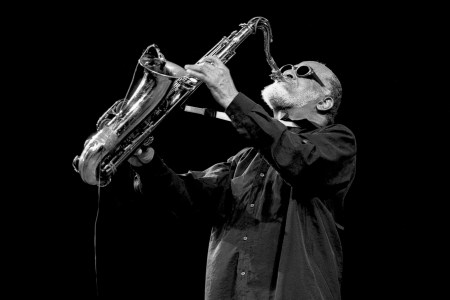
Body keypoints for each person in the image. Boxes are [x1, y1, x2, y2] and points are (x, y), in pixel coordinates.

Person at [126, 56, 357, 299]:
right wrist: (148, 164)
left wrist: (230, 97)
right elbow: (190, 198)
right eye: (287, 67)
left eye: (303, 71)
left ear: (325, 102)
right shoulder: (244, 159)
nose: (286, 71)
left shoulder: (337, 141)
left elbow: (300, 160)